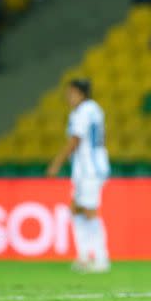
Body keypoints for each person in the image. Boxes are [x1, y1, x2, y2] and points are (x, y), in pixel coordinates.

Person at [47, 79, 111, 273]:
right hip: (86, 167)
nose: (68, 97)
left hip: (90, 169)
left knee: (90, 211)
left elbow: (75, 140)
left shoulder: (84, 111)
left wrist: (56, 163)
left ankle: (100, 258)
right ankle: (84, 256)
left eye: (71, 93)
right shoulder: (93, 109)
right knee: (75, 209)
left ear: (81, 93)